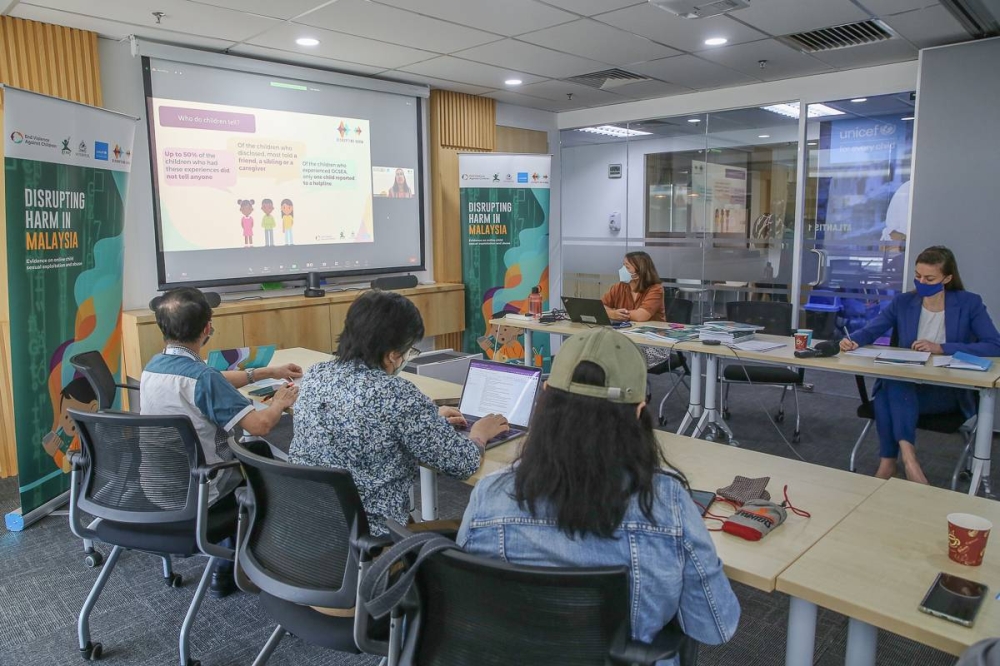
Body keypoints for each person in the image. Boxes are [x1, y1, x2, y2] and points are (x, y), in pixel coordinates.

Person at [459, 329, 740, 657]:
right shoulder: (669, 504)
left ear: (545, 396)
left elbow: (470, 608)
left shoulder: (490, 497)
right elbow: (715, 625)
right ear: (638, 412)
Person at [288, 290, 508, 537]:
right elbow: (461, 463)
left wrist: (428, 417)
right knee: (474, 528)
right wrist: (479, 435)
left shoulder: (316, 375)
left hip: (308, 525)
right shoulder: (397, 394)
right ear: (392, 355)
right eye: (409, 350)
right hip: (369, 538)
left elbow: (365, 416)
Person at [141, 287, 301, 595]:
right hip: (204, 494)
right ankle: (234, 569)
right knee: (263, 461)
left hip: (158, 491)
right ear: (207, 329)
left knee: (255, 454)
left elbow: (208, 375)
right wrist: (280, 400)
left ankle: (227, 567)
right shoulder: (203, 381)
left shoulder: (154, 367)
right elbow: (261, 424)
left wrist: (266, 372)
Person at [840, 246, 1000, 483]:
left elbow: (994, 345)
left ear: (947, 278)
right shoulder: (904, 302)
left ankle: (889, 464)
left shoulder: (969, 304)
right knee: (894, 386)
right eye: (918, 276)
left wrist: (942, 348)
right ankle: (908, 458)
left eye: (929, 278)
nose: (921, 282)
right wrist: (853, 341)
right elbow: (873, 328)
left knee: (888, 393)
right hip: (907, 385)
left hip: (947, 391)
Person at [602, 251, 669, 368]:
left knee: (618, 355)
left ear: (639, 271)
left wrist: (615, 314)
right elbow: (601, 306)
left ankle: (629, 384)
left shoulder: (656, 289)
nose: (622, 269)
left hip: (652, 343)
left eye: (626, 266)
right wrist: (613, 313)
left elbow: (641, 316)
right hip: (624, 338)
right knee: (599, 348)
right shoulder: (619, 287)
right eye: (623, 265)